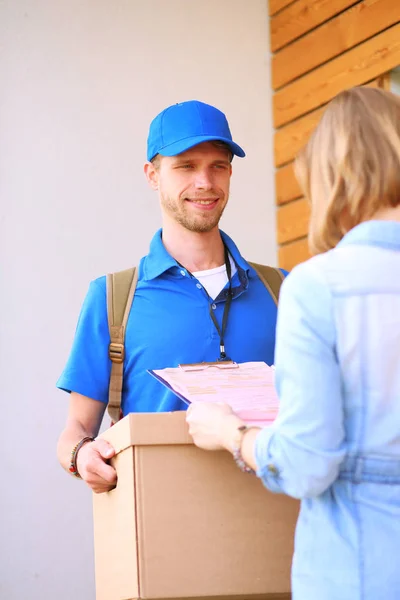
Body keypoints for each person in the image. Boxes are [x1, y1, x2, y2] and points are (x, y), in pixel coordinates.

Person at [187, 87, 400, 600]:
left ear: (331, 176)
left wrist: (231, 434)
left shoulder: (316, 287)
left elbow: (308, 461)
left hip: (361, 570)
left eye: (219, 165)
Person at [56, 100, 285, 493]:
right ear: (153, 175)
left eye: (218, 165)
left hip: (271, 524)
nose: (205, 182)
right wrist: (81, 456)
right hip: (159, 521)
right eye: (186, 166)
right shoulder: (113, 299)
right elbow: (75, 431)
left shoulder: (281, 290)